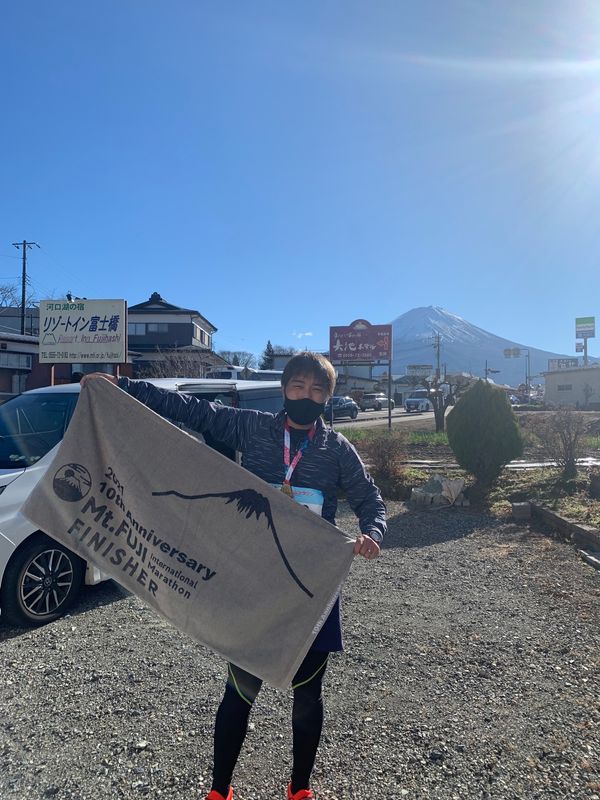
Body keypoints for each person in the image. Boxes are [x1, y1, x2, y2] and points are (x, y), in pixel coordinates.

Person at [82, 352, 386, 800]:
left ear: (328, 397)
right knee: (240, 690)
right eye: (299, 386)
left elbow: (370, 500)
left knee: (308, 695)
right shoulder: (253, 428)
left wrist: (372, 532)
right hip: (254, 584)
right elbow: (193, 411)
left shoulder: (337, 450)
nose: (307, 396)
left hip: (311, 588)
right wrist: (125, 388)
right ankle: (219, 789)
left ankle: (299, 788)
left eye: (318, 390)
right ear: (284, 389)